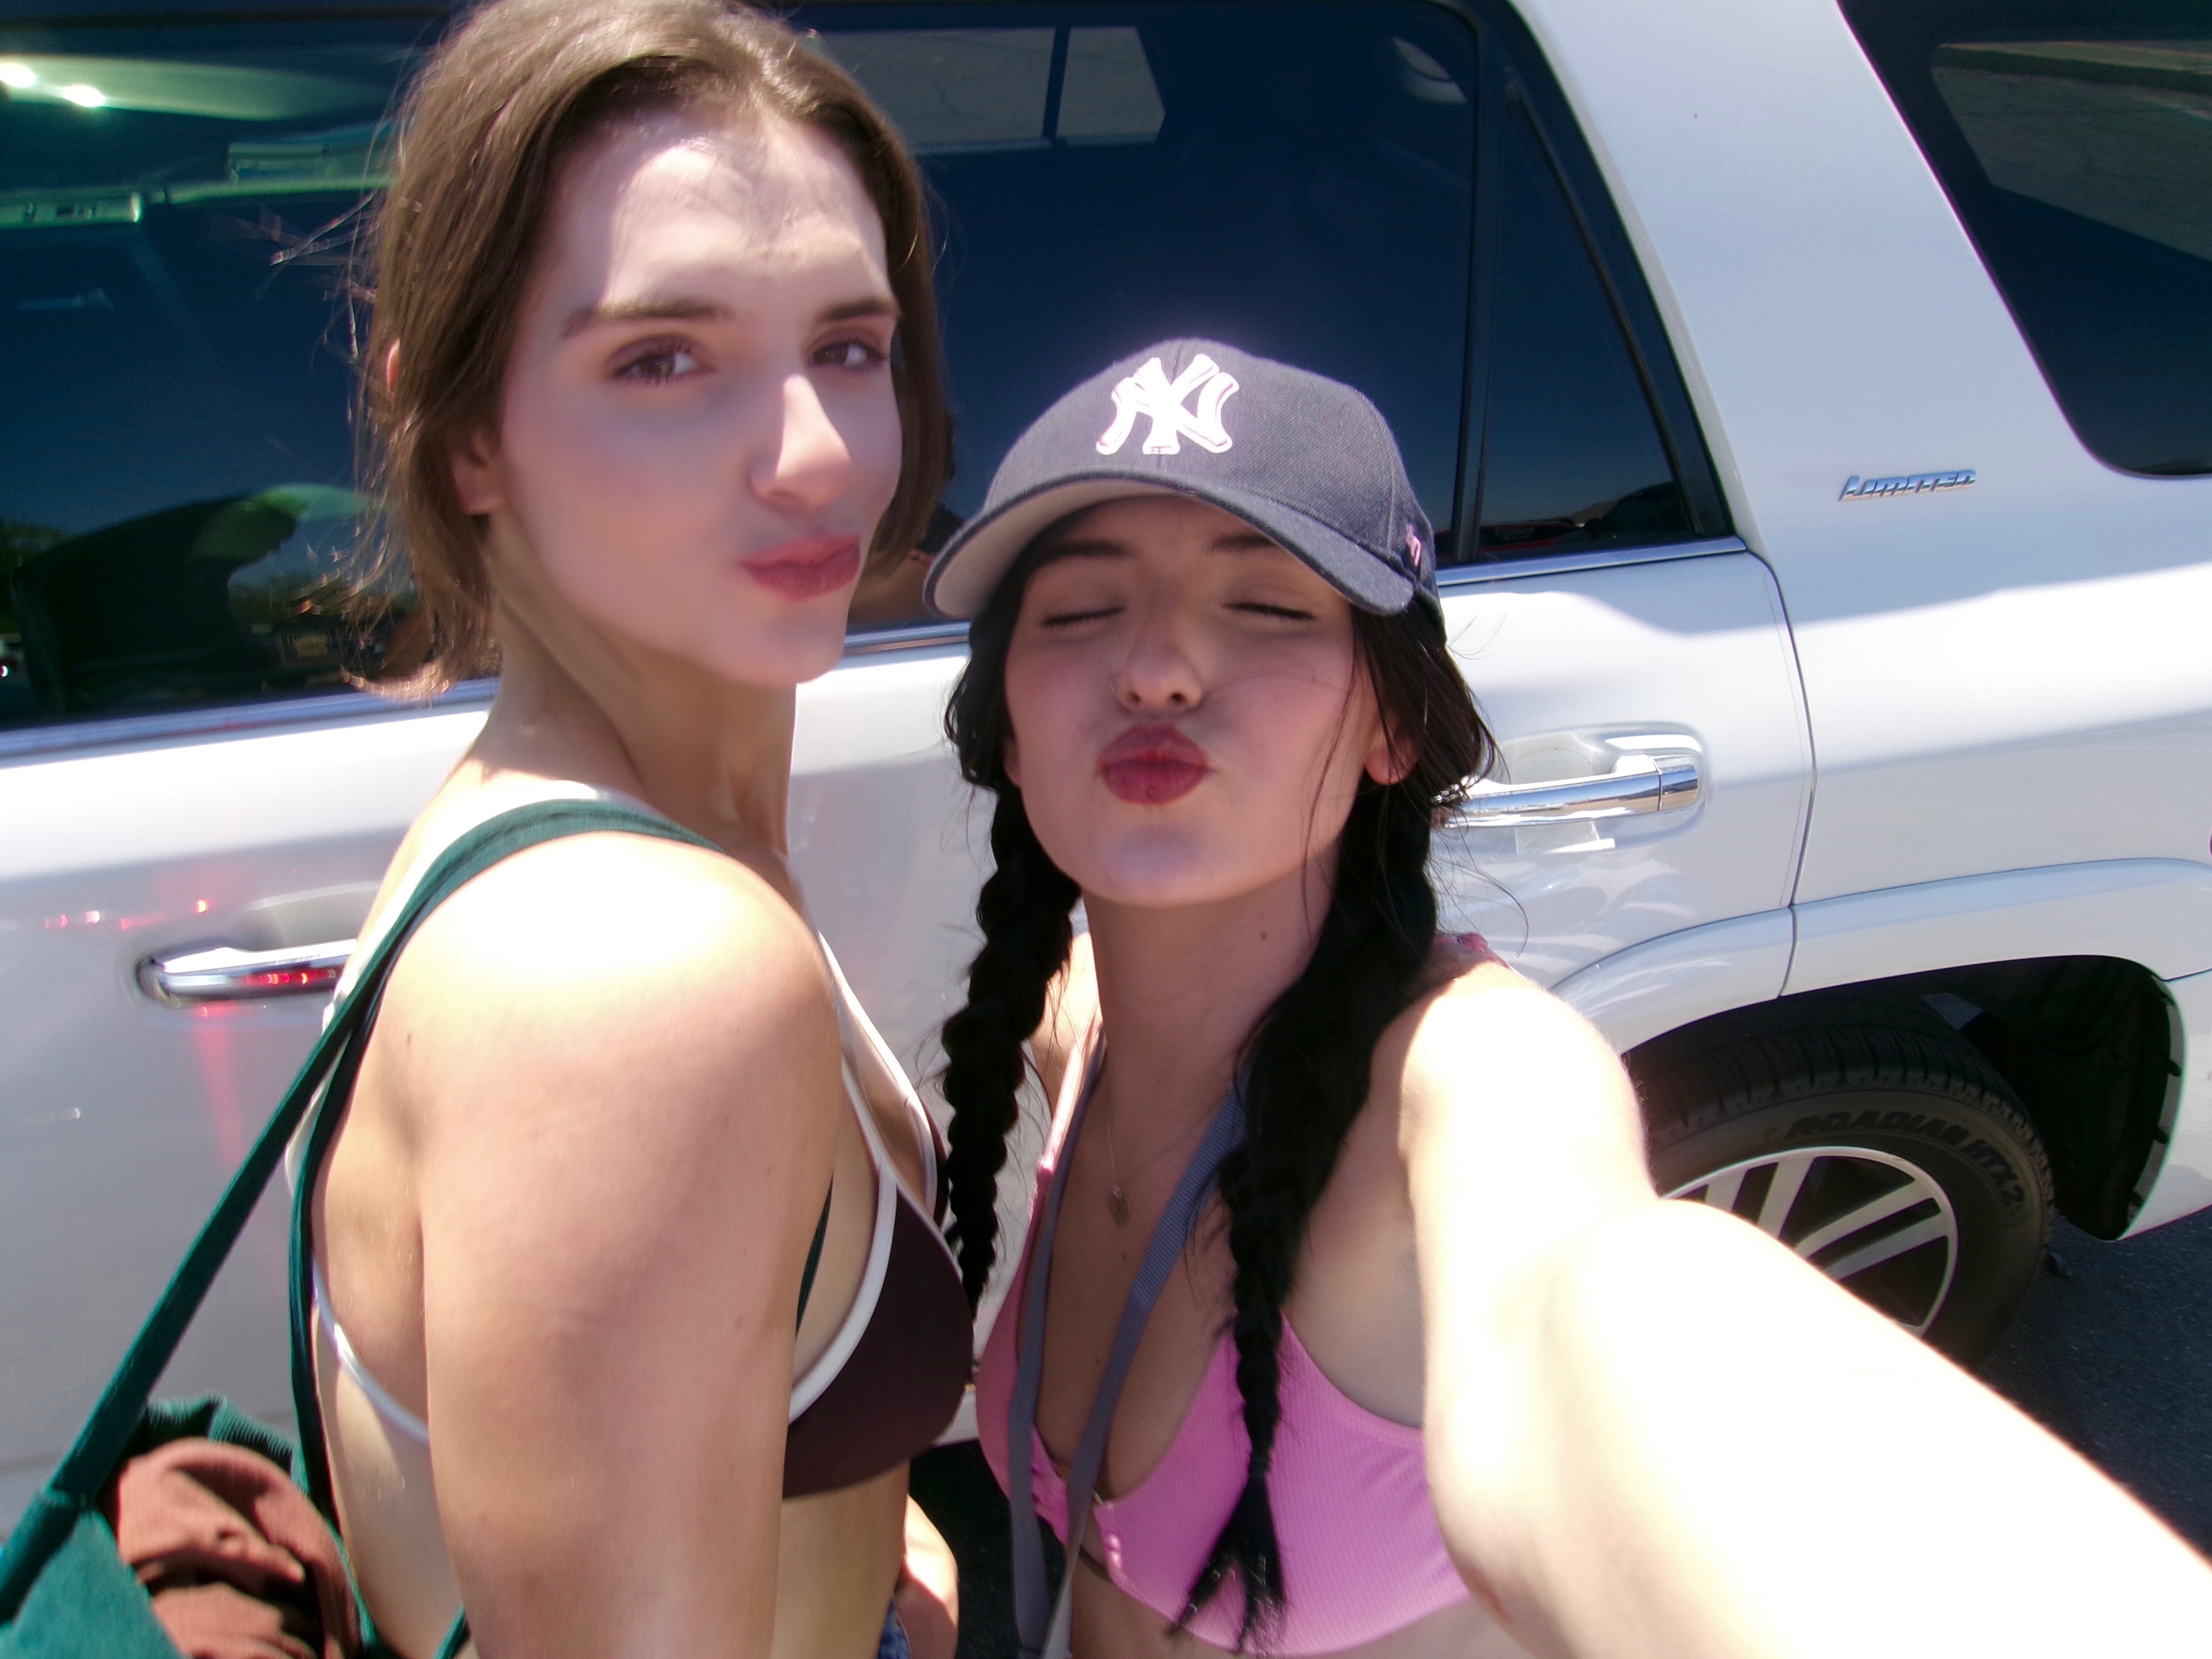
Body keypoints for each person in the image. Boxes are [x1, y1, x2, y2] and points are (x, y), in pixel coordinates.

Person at [928, 339, 2212, 1658]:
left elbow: (1606, 1309)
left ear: (1393, 726)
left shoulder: (1475, 1080)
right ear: (1009, 725)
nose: (1156, 667)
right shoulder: (1078, 1023)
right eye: (1078, 610)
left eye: (1266, 606)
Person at [300, 2, 971, 1654]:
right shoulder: (636, 973)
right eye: (662, 359)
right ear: (465, 435)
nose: (816, 458)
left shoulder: (576, 824)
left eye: (849, 346)